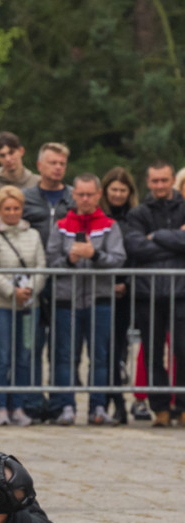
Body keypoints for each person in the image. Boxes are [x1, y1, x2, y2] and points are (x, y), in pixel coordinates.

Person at [47, 174, 126, 426]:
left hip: (99, 299)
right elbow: (49, 262)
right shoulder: (60, 225)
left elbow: (118, 259)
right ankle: (66, 406)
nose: (84, 199)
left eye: (89, 194)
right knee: (65, 356)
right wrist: (70, 260)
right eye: (79, 194)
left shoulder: (110, 225)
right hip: (66, 300)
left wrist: (95, 255)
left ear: (98, 195)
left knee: (100, 356)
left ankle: (98, 407)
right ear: (74, 195)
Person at [123, 161, 185, 427]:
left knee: (183, 350)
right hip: (148, 294)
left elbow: (149, 244)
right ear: (148, 182)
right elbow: (136, 247)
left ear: (172, 179)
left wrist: (156, 236)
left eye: (164, 180)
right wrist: (175, 243)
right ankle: (159, 407)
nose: (160, 185)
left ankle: (182, 406)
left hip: (181, 292)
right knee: (152, 352)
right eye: (155, 181)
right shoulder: (137, 213)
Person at [0, 186, 46, 427]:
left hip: (29, 306)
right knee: (2, 356)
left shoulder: (33, 235)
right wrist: (12, 291)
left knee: (24, 356)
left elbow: (41, 266)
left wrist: (30, 291)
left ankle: (18, 406)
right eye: (7, 208)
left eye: (16, 207)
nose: (12, 212)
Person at [99, 167, 140, 424]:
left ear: (129, 192)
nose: (117, 194)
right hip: (101, 289)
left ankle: (120, 404)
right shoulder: (99, 217)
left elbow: (135, 253)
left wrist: (124, 282)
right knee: (103, 351)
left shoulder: (135, 218)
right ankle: (105, 402)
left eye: (122, 190)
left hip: (126, 292)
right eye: (113, 189)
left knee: (118, 349)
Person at [0, 132, 40, 224]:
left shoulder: (37, 183)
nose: (8, 159)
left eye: (11, 152)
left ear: (21, 151)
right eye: (2, 155)